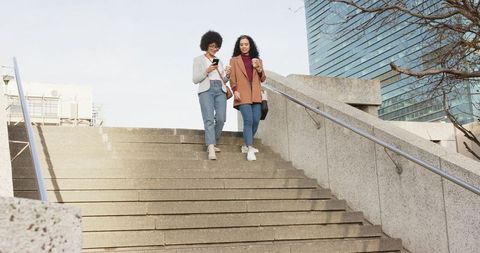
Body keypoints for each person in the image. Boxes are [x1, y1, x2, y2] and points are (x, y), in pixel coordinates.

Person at [192, 30, 230, 160]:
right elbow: (195, 79)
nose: (214, 49)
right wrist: (207, 70)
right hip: (206, 90)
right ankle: (211, 147)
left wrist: (228, 75)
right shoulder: (198, 60)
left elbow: (223, 80)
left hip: (220, 89)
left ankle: (212, 141)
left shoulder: (219, 61)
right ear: (206, 45)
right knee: (208, 119)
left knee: (221, 118)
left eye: (216, 46)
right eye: (212, 46)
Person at [229, 35, 266, 161]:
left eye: (246, 44)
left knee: (256, 120)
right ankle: (250, 148)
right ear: (238, 46)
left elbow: (263, 78)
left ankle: (245, 144)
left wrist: (259, 68)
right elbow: (232, 77)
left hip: (256, 94)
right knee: (248, 121)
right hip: (242, 94)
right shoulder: (234, 60)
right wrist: (235, 90)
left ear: (250, 45)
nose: (244, 46)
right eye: (241, 44)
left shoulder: (257, 60)